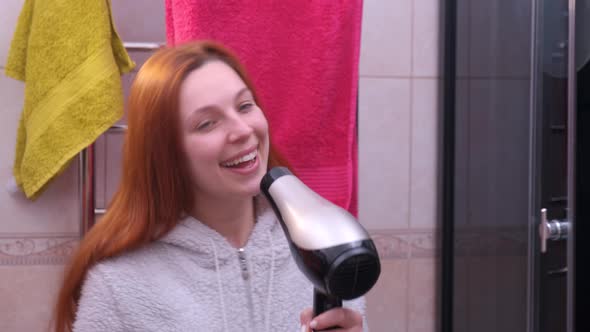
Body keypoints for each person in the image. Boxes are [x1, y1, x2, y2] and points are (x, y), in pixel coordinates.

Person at [53, 41, 366, 332]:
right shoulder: (118, 287)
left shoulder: (323, 251)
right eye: (207, 123)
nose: (243, 131)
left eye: (245, 106)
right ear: (167, 154)